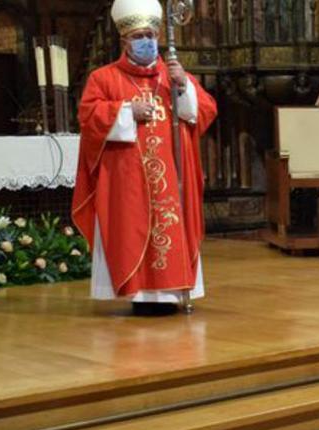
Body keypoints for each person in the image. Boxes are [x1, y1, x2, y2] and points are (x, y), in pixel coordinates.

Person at [73, 0, 217, 316]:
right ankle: (139, 294)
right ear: (124, 40)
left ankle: (172, 293)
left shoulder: (173, 74)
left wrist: (183, 88)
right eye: (139, 36)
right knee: (131, 231)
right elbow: (88, 116)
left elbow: (204, 111)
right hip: (128, 178)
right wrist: (125, 111)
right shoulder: (104, 78)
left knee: (171, 229)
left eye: (151, 35)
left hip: (172, 177)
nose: (147, 42)